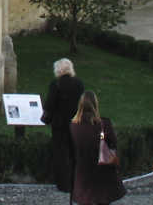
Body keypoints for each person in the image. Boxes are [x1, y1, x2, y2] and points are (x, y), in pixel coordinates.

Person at [69, 91, 126, 204]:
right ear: (96, 104)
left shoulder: (72, 127)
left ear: (80, 105)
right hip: (103, 175)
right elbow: (113, 146)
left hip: (82, 175)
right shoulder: (104, 124)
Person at [41, 57, 85, 195]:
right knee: (74, 152)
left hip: (60, 123)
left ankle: (63, 183)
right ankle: (76, 181)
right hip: (76, 122)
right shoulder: (79, 83)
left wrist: (46, 118)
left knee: (61, 152)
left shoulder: (56, 84)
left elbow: (50, 104)